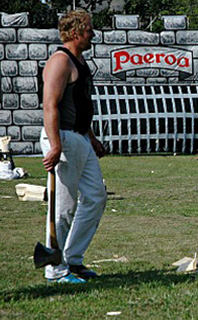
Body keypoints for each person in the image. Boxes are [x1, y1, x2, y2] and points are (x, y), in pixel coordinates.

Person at [40, 9, 107, 284]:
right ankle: (54, 269)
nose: (93, 33)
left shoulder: (81, 63)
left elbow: (80, 104)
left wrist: (91, 136)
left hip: (79, 138)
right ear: (77, 32)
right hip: (63, 138)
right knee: (63, 208)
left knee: (95, 197)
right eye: (90, 29)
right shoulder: (60, 61)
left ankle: (73, 258)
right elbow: (50, 105)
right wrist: (55, 145)